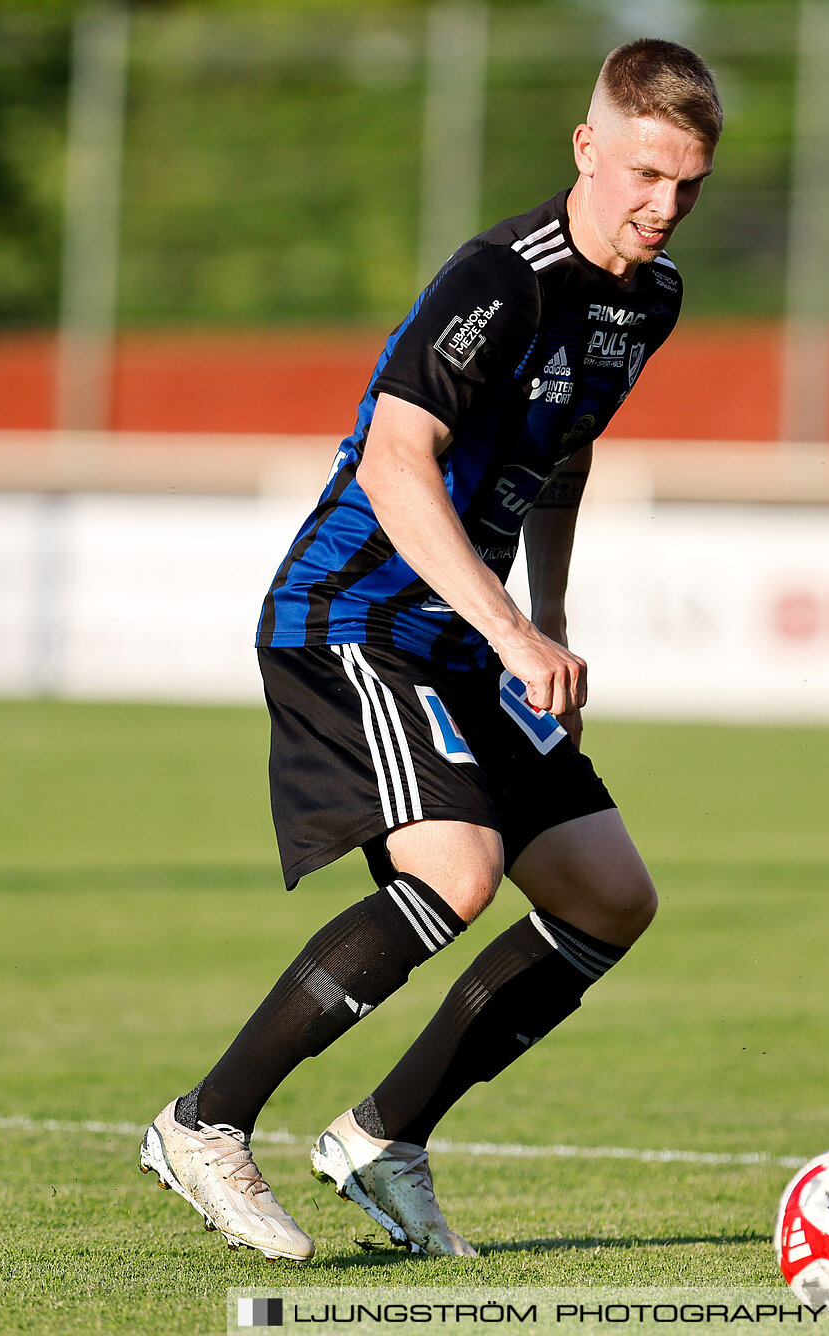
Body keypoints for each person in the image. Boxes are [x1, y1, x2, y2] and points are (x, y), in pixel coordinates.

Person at [137, 39, 720, 1262]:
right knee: (457, 871)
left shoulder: (648, 301)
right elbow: (397, 465)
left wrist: (545, 617)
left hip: (462, 636)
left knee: (609, 898)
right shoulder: (500, 279)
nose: (664, 206)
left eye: (689, 185)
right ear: (588, 148)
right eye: (647, 174)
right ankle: (205, 1121)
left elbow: (566, 456)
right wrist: (507, 625)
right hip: (351, 614)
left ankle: (384, 1136)